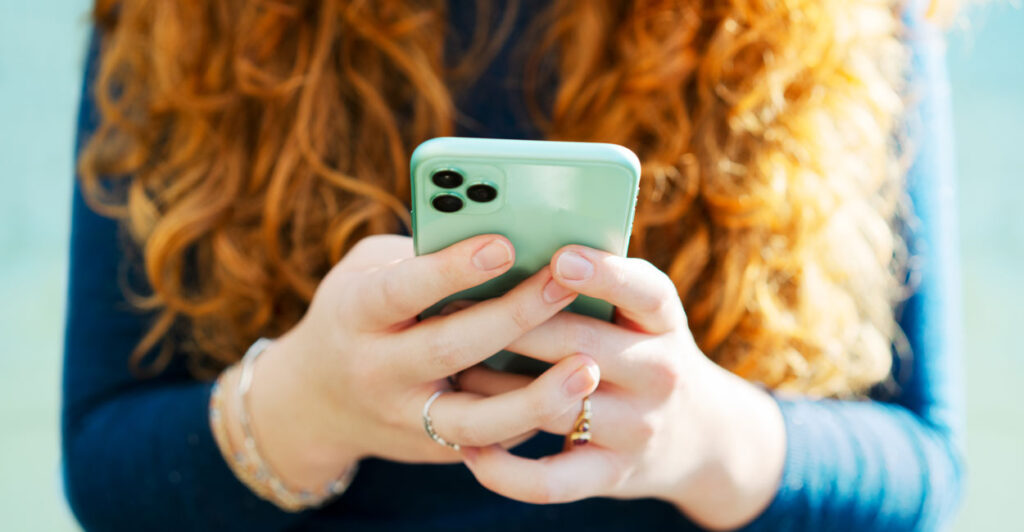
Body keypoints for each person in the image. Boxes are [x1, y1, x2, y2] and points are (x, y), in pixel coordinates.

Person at [62, 0, 964, 530]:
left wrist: (702, 441)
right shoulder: (186, 19)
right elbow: (102, 457)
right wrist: (305, 406)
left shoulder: (845, 18)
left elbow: (924, 463)